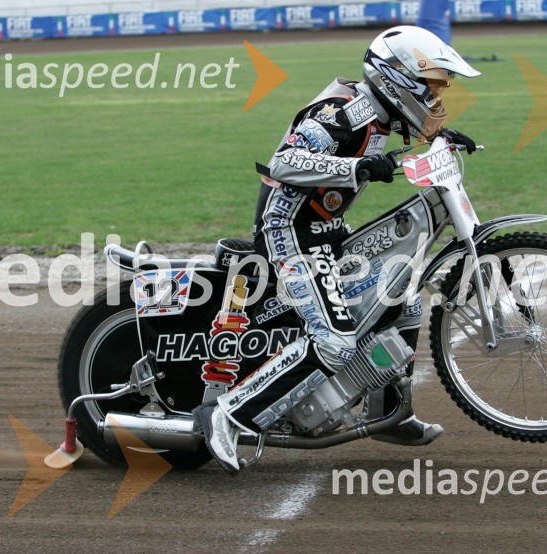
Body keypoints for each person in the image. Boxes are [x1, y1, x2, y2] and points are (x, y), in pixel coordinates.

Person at [193, 25, 481, 474]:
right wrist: (357, 166)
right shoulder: (342, 111)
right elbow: (285, 162)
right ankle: (228, 415)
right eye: (431, 86)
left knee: (402, 301)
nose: (435, 96)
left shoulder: (383, 112)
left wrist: (445, 137)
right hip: (289, 229)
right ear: (398, 78)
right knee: (333, 340)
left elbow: (406, 135)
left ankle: (385, 411)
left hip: (326, 229)